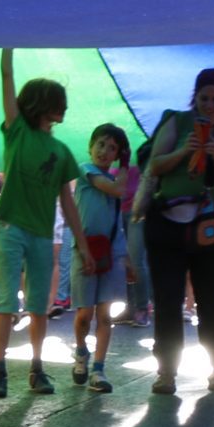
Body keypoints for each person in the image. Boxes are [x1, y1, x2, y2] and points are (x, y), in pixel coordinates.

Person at [135, 68, 214, 396]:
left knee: (209, 299)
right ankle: (166, 372)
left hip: (210, 226)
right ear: (195, 97)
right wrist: (184, 152)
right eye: (204, 97)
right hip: (165, 223)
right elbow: (154, 165)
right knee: (167, 299)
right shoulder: (176, 120)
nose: (210, 104)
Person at [0, 52, 83, 399]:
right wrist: (8, 46)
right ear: (44, 104)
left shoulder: (60, 150)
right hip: (10, 227)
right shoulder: (17, 132)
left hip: (42, 234)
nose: (63, 109)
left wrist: (82, 244)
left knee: (39, 305)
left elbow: (67, 201)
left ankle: (36, 370)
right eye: (59, 102)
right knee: (5, 303)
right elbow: (6, 77)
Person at [65, 126, 132, 393]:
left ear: (117, 154)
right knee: (84, 314)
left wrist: (125, 258)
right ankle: (81, 353)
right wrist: (126, 165)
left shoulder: (111, 177)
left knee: (105, 314)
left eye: (113, 148)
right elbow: (118, 190)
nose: (105, 152)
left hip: (111, 255)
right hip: (84, 252)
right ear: (90, 146)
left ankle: (99, 370)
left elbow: (118, 222)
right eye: (101, 144)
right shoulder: (85, 171)